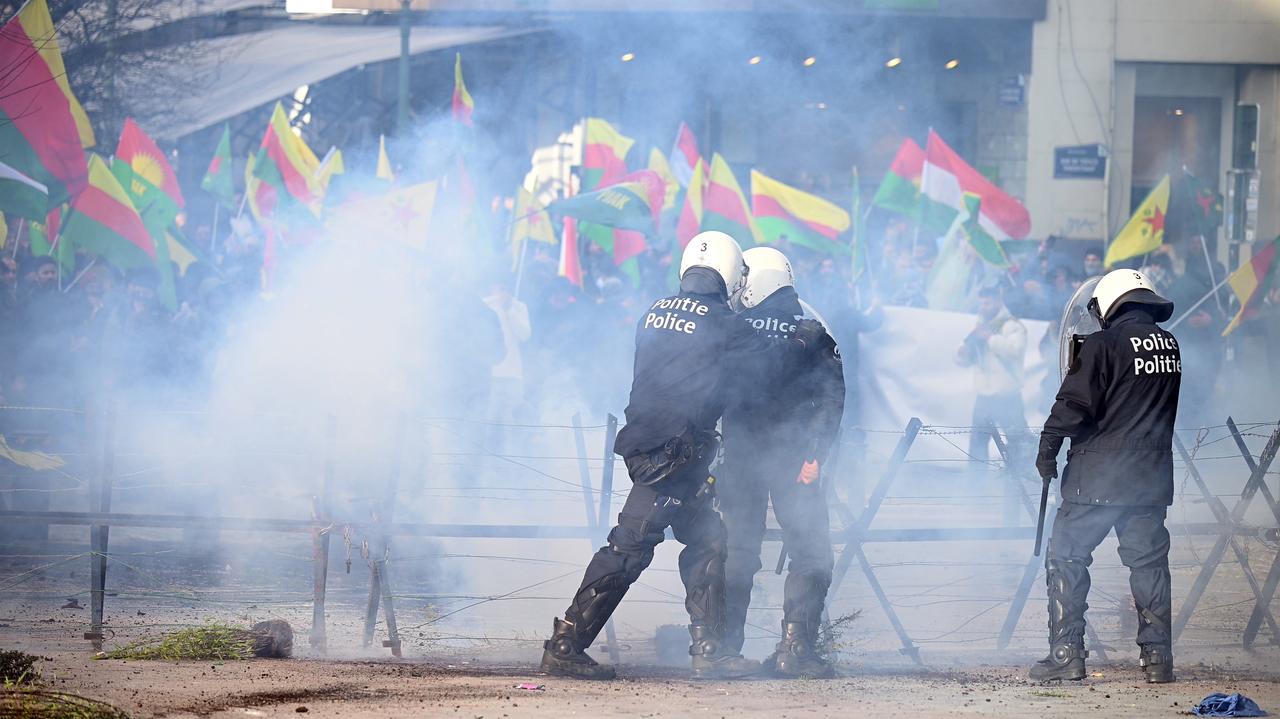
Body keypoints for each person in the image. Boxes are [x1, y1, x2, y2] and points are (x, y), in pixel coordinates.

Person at [540, 231, 829, 680]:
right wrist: (798, 339)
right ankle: (566, 644)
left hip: (656, 448)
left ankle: (710, 648)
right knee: (628, 549)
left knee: (710, 540)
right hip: (674, 457)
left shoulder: (653, 312)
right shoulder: (724, 324)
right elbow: (768, 362)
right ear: (732, 275)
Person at [1032, 268, 1180, 684]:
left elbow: (1073, 404)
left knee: (1066, 557)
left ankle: (1066, 654)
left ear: (1110, 303)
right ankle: (1157, 660)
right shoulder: (1169, 345)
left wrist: (1047, 449)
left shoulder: (1102, 345)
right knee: (1149, 565)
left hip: (1096, 478)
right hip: (1150, 479)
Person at [719, 247, 844, 677]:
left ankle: (722, 648)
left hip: (737, 456)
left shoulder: (731, 327)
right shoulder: (815, 331)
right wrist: (816, 456)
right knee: (811, 553)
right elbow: (832, 401)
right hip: (796, 460)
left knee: (735, 550)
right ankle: (796, 650)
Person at [956, 285, 1028, 465]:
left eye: (987, 303)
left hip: (1008, 396)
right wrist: (963, 353)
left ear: (997, 301)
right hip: (984, 396)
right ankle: (976, 484)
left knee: (1017, 441)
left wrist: (990, 338)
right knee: (978, 444)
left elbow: (1014, 350)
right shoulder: (980, 325)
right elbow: (966, 358)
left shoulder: (1013, 325)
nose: (983, 307)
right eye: (981, 303)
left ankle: (1020, 479)